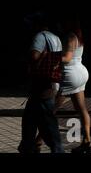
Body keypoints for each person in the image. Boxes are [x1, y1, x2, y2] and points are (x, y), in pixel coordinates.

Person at [18, 13, 71, 153]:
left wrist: (31, 59)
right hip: (51, 82)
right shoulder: (56, 38)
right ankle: (27, 146)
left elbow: (34, 55)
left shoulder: (40, 37)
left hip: (42, 84)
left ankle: (56, 149)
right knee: (31, 117)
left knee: (47, 121)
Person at [56, 16, 91, 153]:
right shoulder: (78, 35)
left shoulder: (70, 37)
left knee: (50, 111)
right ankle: (87, 141)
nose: (59, 24)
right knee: (82, 109)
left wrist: (48, 56)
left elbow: (67, 58)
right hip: (81, 72)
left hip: (70, 74)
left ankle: (38, 142)